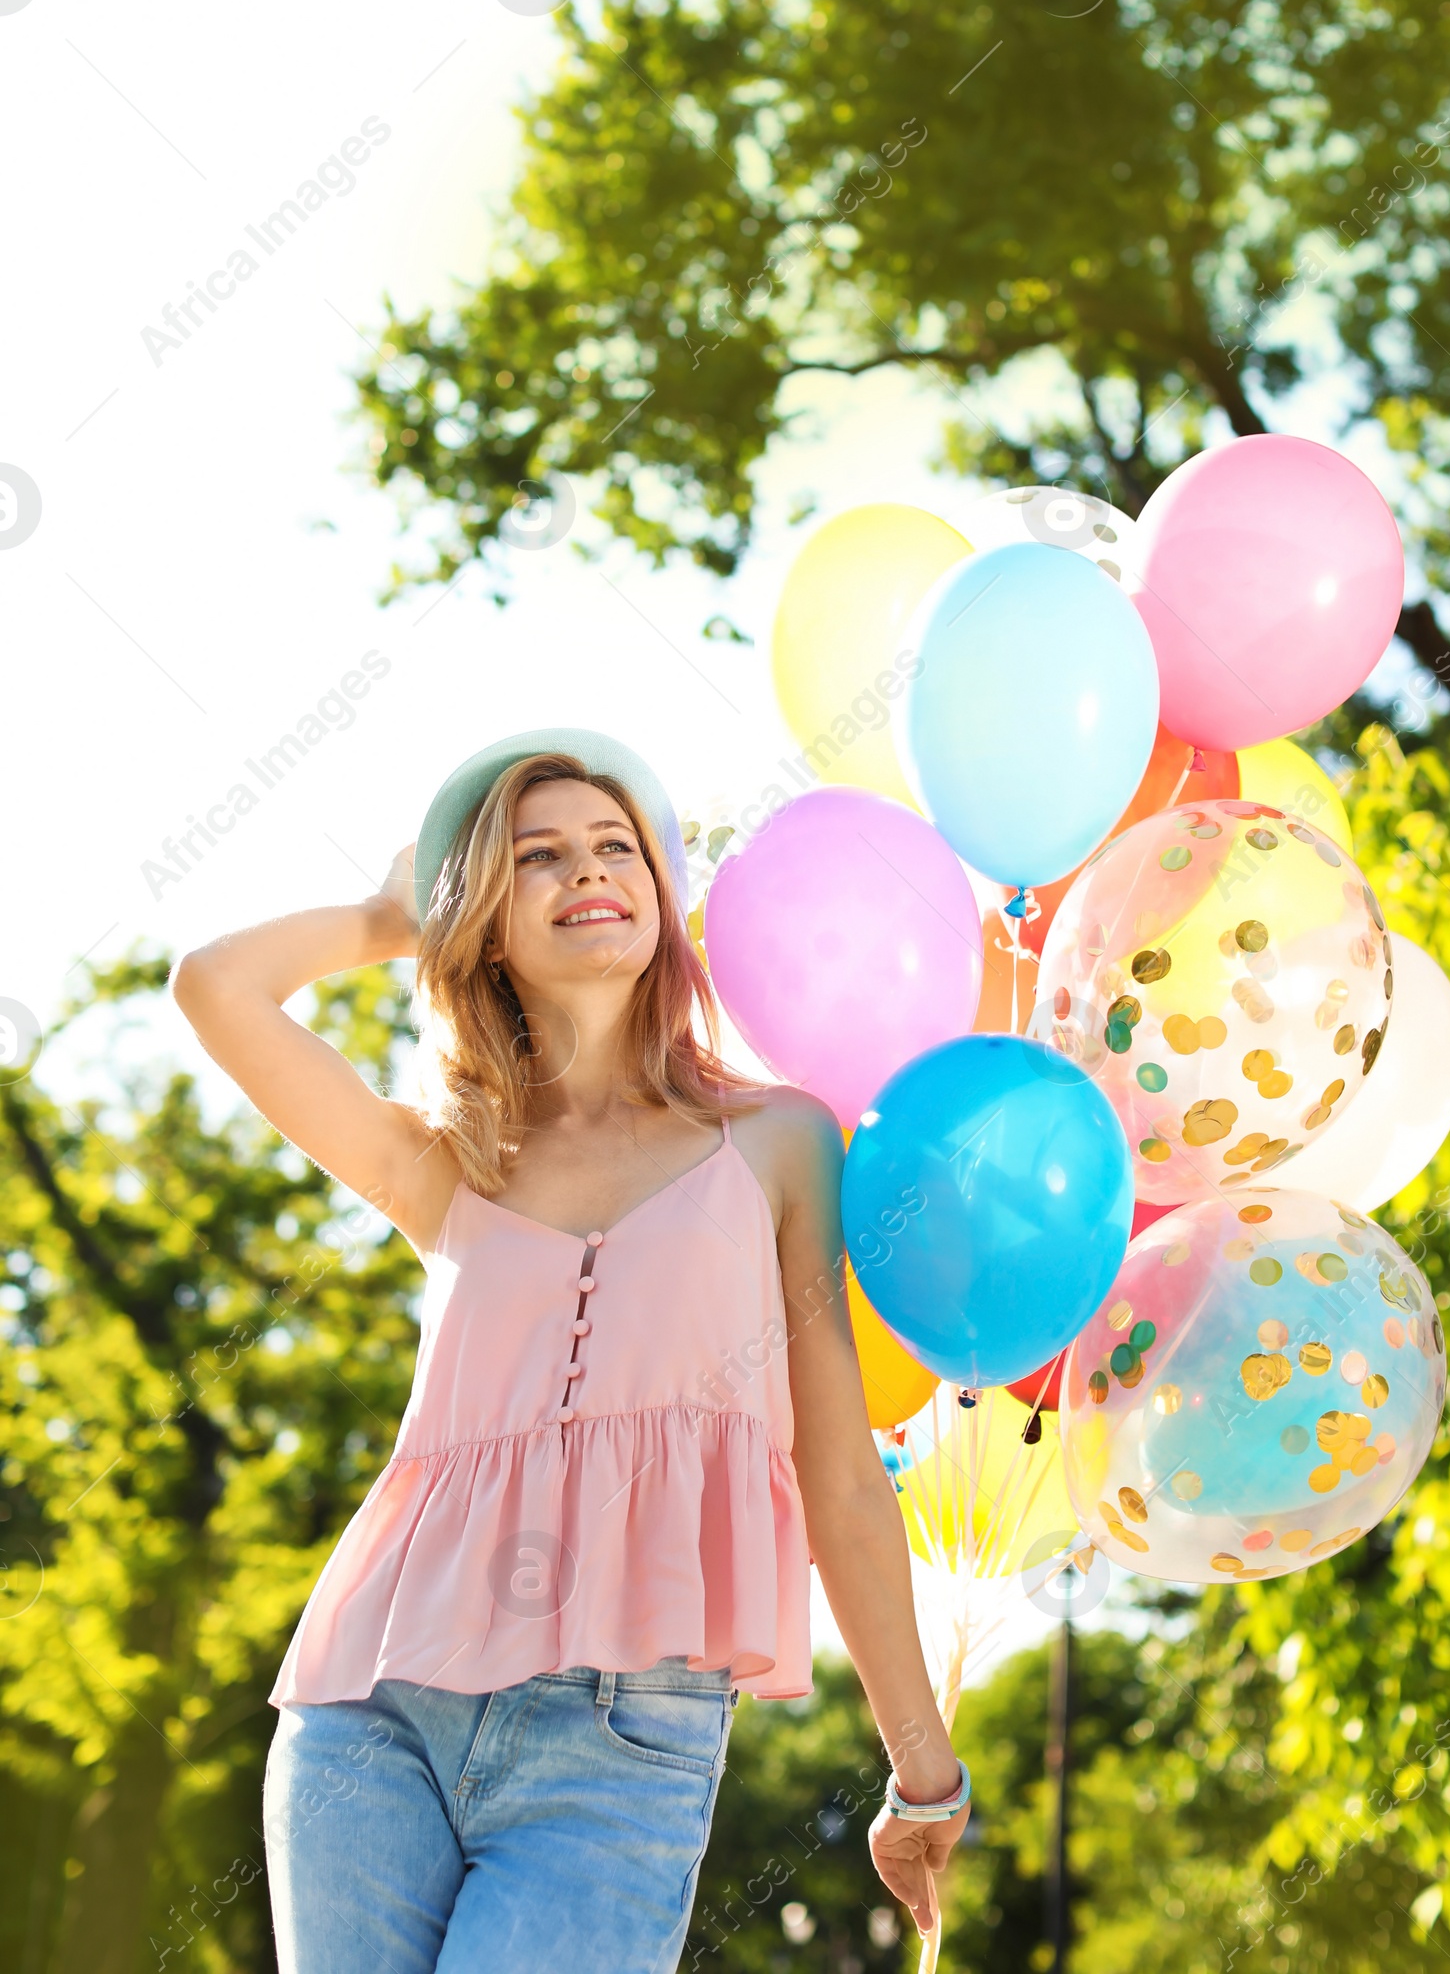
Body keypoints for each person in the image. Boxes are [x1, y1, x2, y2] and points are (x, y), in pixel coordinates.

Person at [173, 731, 971, 1972]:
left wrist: (923, 1771)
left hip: (622, 1742)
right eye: (535, 858)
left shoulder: (779, 1145)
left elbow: (840, 1478)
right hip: (369, 1717)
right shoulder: (448, 1161)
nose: (586, 870)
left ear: (660, 891)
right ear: (490, 924)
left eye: (616, 847)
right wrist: (396, 914)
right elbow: (213, 986)